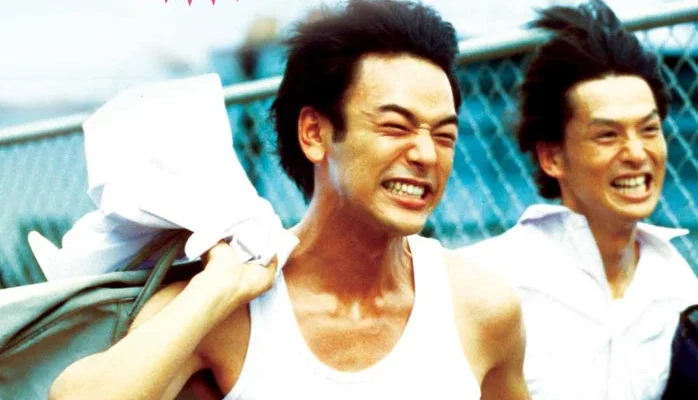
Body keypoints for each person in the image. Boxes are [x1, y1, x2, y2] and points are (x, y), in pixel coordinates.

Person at [49, 1, 530, 399]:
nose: (426, 154)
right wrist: (214, 292)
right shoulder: (232, 304)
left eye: (444, 135)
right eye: (394, 126)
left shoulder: (481, 308)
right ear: (314, 133)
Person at [458, 1, 698, 399]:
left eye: (649, 129)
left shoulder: (678, 286)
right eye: (608, 135)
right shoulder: (487, 280)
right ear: (552, 157)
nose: (637, 153)